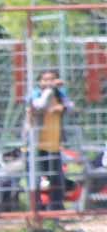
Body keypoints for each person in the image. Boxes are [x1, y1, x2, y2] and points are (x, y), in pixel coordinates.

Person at [29, 70, 72, 210]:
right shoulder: (36, 93)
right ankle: (36, 209)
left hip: (53, 145)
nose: (48, 83)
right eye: (45, 80)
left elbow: (70, 107)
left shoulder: (60, 94)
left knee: (56, 179)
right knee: (35, 179)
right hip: (36, 145)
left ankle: (56, 209)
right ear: (40, 82)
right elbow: (38, 105)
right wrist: (51, 89)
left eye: (52, 79)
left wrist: (63, 107)